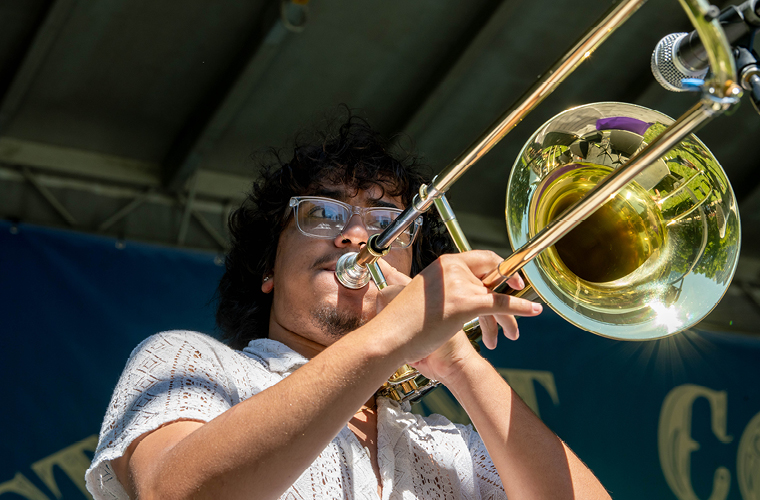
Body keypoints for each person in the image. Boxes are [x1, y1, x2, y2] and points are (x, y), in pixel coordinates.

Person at [85, 114, 611, 499]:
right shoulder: (189, 361)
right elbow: (176, 493)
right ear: (268, 267)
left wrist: (459, 363)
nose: (358, 236)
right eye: (324, 214)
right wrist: (390, 337)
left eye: (388, 225)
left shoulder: (454, 451)